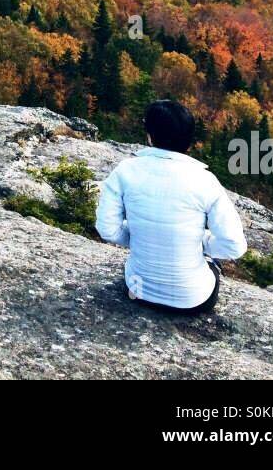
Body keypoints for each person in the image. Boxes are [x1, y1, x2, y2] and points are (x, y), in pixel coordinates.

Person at [96, 100, 247, 314]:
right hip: (193, 301)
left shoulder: (125, 171)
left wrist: (142, 234)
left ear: (150, 134)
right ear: (189, 141)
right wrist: (200, 242)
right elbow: (234, 246)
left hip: (137, 291)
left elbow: (107, 230)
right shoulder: (205, 181)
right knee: (212, 267)